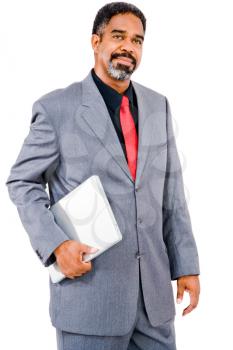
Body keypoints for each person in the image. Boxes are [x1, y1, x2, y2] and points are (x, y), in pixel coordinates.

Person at [5, 2, 200, 349]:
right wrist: (56, 244)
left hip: (153, 304)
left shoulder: (159, 105)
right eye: (118, 36)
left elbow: (172, 192)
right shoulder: (56, 108)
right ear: (96, 42)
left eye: (137, 40)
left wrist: (187, 265)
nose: (129, 47)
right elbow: (22, 181)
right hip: (90, 298)